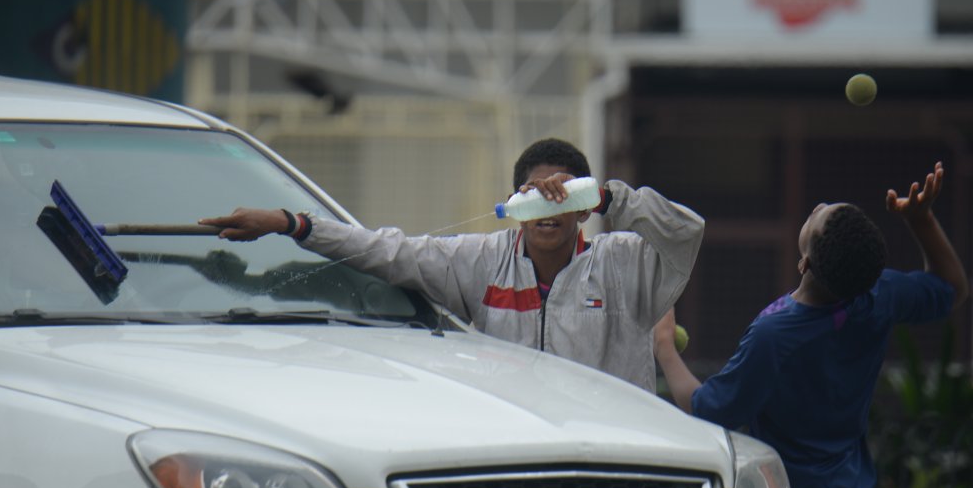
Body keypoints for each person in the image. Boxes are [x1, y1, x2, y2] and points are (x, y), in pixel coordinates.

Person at [201, 137, 705, 393]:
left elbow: (685, 232)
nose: (545, 208)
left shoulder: (622, 265)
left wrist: (607, 198)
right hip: (517, 465)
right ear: (513, 201)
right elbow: (385, 250)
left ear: (579, 205)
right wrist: (292, 223)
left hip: (613, 467)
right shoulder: (481, 259)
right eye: (533, 193)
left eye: (561, 195)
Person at [653, 161, 969, 488]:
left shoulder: (774, 338)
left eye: (818, 218)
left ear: (805, 263)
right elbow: (952, 287)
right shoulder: (879, 296)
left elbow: (706, 409)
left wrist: (664, 346)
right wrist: (921, 218)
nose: (818, 205)